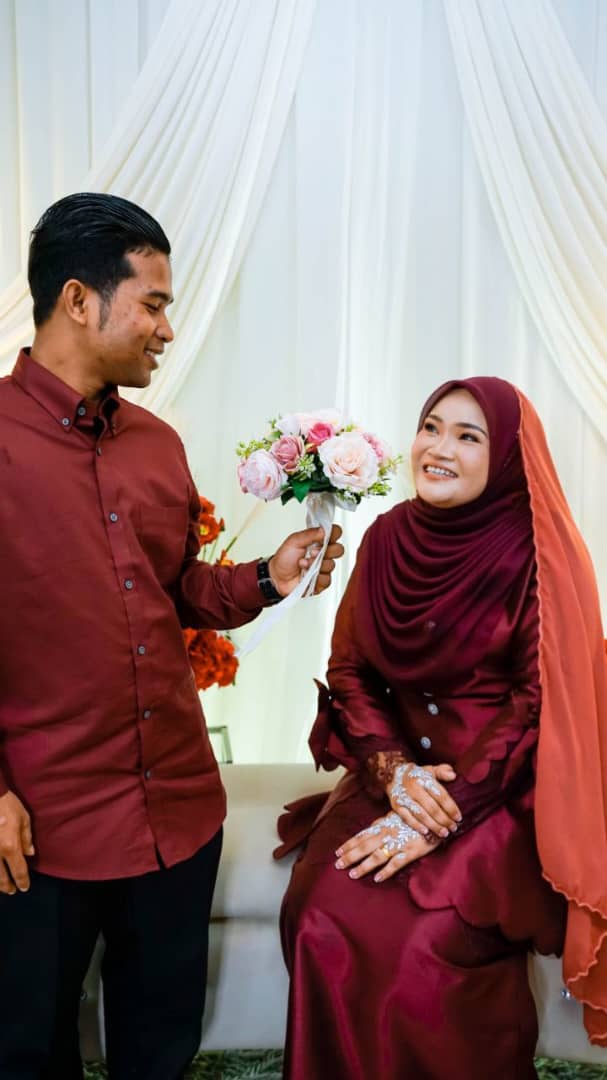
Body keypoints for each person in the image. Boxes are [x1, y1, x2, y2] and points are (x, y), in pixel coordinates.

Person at [0, 191, 344, 1080]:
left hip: (178, 808)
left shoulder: (156, 443)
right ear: (79, 300)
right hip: (41, 824)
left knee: (160, 1048)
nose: (166, 329)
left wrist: (267, 576)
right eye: (152, 304)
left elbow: (174, 588)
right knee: (26, 1050)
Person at [276, 376, 607, 1079]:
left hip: (500, 790)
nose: (439, 448)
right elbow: (350, 670)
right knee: (318, 914)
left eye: (467, 436)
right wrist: (396, 775)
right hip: (390, 773)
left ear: (508, 455)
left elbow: (535, 701)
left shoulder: (539, 555)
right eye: (431, 427)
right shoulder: (387, 537)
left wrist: (440, 812)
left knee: (424, 943)